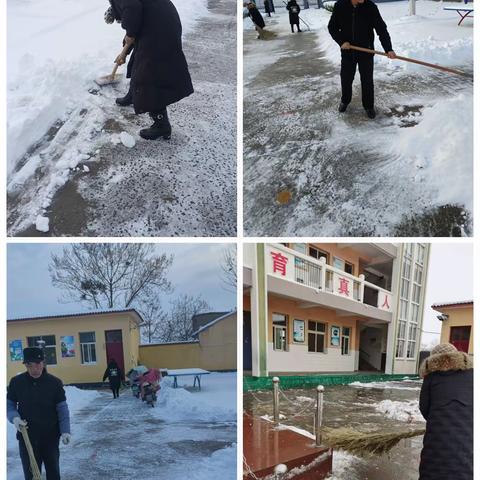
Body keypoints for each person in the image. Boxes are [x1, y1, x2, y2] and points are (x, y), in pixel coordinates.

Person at [106, 0, 194, 140]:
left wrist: (129, 31)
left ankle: (161, 124)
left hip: (158, 27)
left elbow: (132, 8)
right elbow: (135, 18)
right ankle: (134, 96)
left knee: (148, 73)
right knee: (140, 61)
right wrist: (126, 50)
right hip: (162, 21)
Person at [7, 347, 71, 480]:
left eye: (38, 363)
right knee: (31, 474)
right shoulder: (17, 382)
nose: (34, 368)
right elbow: (10, 405)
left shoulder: (54, 383)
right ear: (25, 365)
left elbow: (62, 409)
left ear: (43, 363)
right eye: (30, 365)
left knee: (53, 472)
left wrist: (65, 431)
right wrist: (14, 418)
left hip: (50, 438)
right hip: (27, 438)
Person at [328, 0, 396, 119]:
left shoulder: (370, 7)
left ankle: (369, 106)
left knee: (367, 81)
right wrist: (341, 41)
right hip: (348, 52)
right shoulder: (340, 5)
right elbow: (332, 27)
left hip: (366, 52)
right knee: (346, 79)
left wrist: (388, 49)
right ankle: (345, 100)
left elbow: (381, 29)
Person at [418, 343, 473, 480]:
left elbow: (425, 409)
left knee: (433, 472)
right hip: (468, 442)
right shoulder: (473, 376)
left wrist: (439, 419)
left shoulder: (432, 377)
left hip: (437, 442)